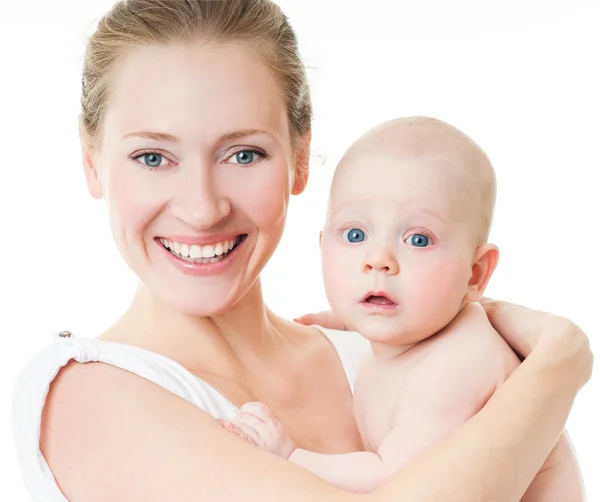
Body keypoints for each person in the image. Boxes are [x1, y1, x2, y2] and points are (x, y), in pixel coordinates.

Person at [11, 1, 592, 501]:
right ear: (91, 161)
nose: (202, 207)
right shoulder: (88, 396)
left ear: (301, 157)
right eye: (152, 157)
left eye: (243, 154)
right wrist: (557, 367)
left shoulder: (378, 348)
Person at [222, 116, 584, 500]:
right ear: (322, 243)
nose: (378, 260)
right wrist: (346, 319)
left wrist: (291, 455)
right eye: (356, 234)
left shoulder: (456, 367)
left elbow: (388, 477)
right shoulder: (414, 332)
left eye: (418, 239)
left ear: (475, 273)